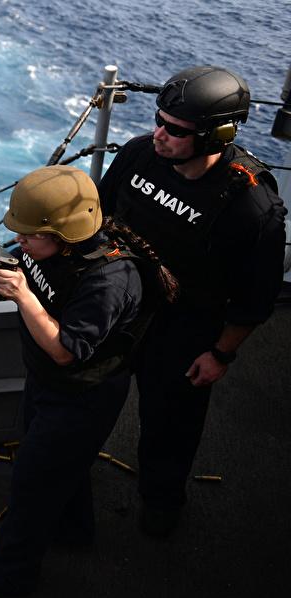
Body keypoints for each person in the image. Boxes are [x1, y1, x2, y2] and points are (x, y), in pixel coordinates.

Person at [0, 165, 174, 598]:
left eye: (29, 236)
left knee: (33, 485)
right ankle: (73, 531)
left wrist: (23, 296)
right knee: (60, 468)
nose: (20, 243)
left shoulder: (108, 280)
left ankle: (8, 578)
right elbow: (24, 264)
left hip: (81, 395)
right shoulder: (51, 252)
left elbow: (65, 350)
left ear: (63, 236)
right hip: (49, 383)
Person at [97, 65, 287, 537]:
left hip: (184, 330)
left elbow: (256, 298)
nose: (159, 134)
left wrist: (220, 354)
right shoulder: (140, 155)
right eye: (158, 120)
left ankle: (161, 508)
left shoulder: (249, 205)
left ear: (217, 134)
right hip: (120, 306)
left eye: (175, 129)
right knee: (87, 395)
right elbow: (99, 214)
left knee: (170, 426)